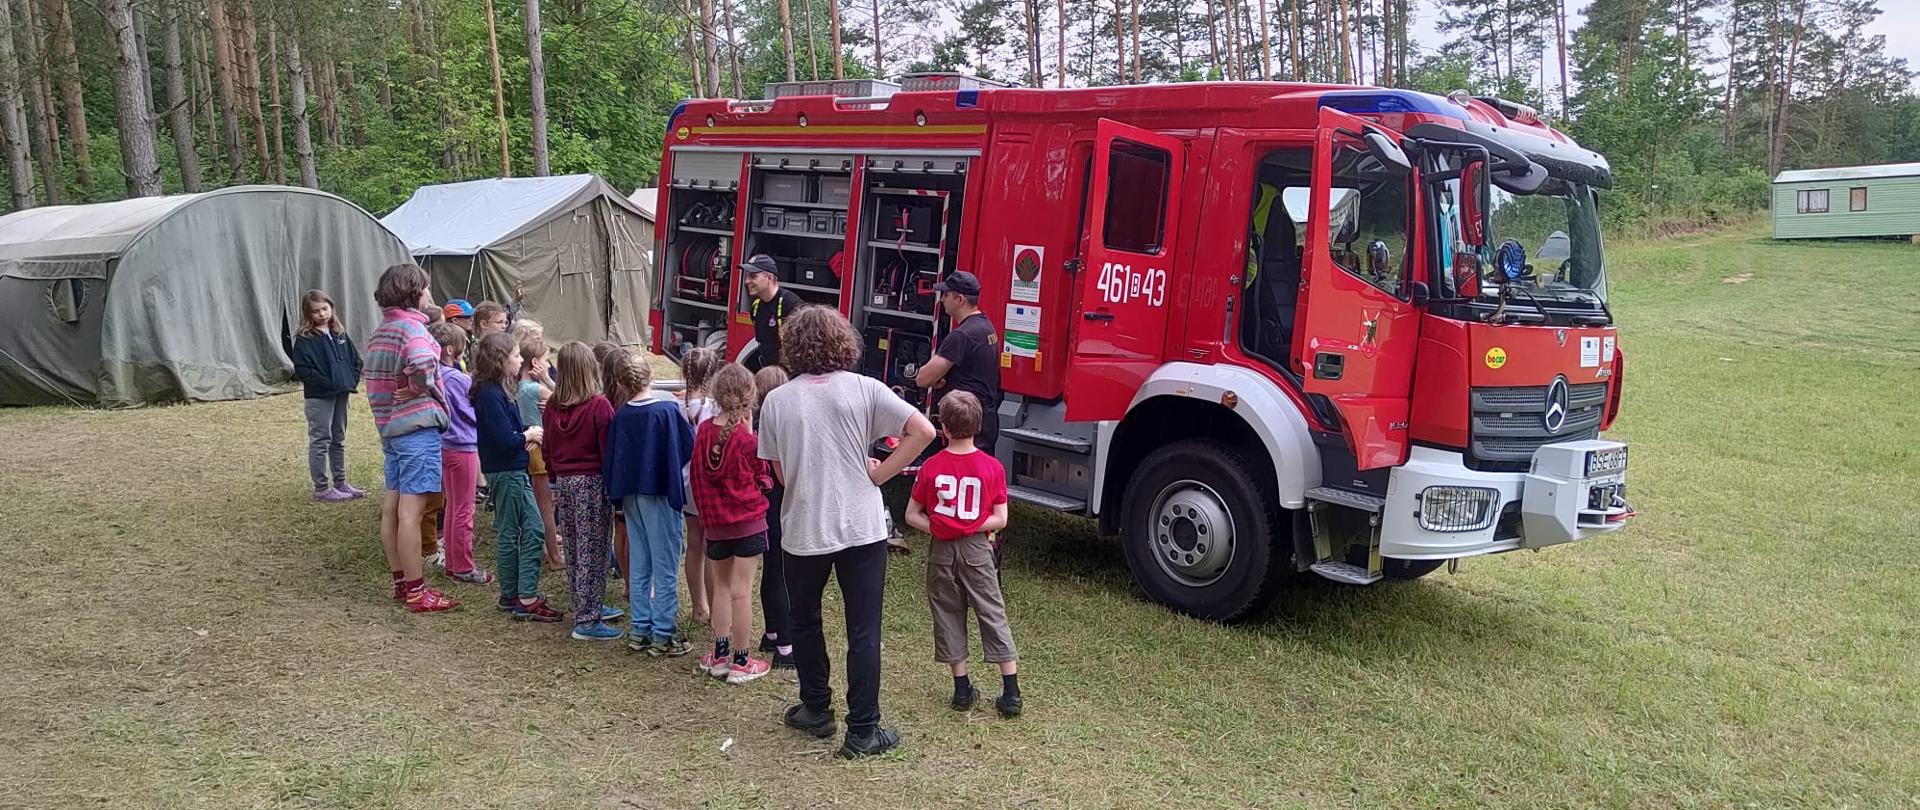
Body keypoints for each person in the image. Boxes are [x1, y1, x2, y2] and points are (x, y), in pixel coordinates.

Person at [759, 306, 937, 759]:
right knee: (863, 630)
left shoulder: (778, 399)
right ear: (844, 343)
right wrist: (881, 475)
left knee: (805, 620)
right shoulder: (865, 389)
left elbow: (779, 474)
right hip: (861, 526)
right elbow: (923, 430)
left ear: (793, 346)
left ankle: (816, 708)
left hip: (803, 527)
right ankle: (863, 730)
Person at [905, 391, 1021, 718]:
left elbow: (912, 515)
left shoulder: (931, 466)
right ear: (979, 425)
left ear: (943, 427)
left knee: (947, 612)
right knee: (991, 610)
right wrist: (971, 526)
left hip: (941, 549)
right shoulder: (992, 467)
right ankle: (1010, 691)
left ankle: (961, 689)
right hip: (977, 547)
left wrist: (941, 528)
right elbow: (1001, 518)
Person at [363, 263, 457, 613]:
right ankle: (418, 592)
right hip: (416, 430)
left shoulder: (382, 330)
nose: (430, 295)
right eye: (426, 289)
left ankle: (402, 583)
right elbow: (420, 362)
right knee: (411, 513)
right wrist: (419, 385)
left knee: (392, 508)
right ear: (415, 294)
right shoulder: (412, 330)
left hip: (390, 430)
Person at [604, 354, 696, 656]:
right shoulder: (667, 410)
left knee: (641, 562)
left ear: (620, 383)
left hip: (631, 496)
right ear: (651, 377)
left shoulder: (621, 416)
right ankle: (663, 634)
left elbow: (614, 460)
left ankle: (640, 628)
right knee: (666, 564)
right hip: (660, 494)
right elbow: (686, 447)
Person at [691, 363, 775, 685]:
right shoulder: (747, 441)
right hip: (747, 524)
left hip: (716, 526)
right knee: (743, 592)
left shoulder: (703, 433)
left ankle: (719, 655)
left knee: (722, 589)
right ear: (749, 397)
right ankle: (742, 661)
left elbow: (698, 480)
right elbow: (764, 479)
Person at [472, 332, 560, 622]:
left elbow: (507, 431)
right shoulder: (491, 394)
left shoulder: (495, 391)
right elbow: (502, 439)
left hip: (508, 469)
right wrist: (528, 435)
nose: (520, 360)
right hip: (507, 473)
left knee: (511, 531)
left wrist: (524, 433)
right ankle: (526, 597)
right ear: (501, 360)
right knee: (532, 529)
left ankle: (511, 593)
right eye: (515, 356)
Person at [545, 341, 625, 641]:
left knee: (577, 548)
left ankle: (586, 603)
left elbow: (549, 447)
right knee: (595, 549)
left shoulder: (553, 405)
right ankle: (588, 620)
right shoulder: (598, 405)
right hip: (592, 484)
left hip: (565, 483)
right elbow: (608, 452)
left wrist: (553, 479)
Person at [913, 270, 1004, 456]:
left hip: (967, 425)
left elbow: (922, 379)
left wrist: (938, 378)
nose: (942, 300)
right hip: (984, 419)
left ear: (960, 299)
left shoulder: (961, 336)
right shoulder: (986, 326)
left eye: (946, 295)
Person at [431, 322, 492, 586]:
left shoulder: (437, 374)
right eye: (463, 346)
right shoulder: (455, 378)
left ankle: (454, 563)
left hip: (447, 445)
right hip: (462, 446)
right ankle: (464, 566)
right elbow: (469, 411)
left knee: (454, 507)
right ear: (449, 350)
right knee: (464, 509)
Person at [291, 289, 366, 503]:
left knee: (338, 439)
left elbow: (355, 360)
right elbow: (303, 370)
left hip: (342, 394)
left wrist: (351, 381)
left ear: (332, 308)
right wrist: (329, 384)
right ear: (308, 314)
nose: (322, 314)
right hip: (319, 397)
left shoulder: (339, 333)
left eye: (325, 309)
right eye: (316, 311)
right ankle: (322, 488)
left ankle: (341, 483)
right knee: (320, 440)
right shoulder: (305, 340)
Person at [752, 365, 794, 669]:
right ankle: (785, 647)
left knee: (771, 570)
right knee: (784, 574)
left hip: (760, 507)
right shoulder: (782, 426)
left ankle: (771, 632)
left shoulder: (751, 424)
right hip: (781, 504)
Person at [677, 348, 722, 624]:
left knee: (694, 544)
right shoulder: (716, 407)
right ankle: (717, 609)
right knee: (710, 546)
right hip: (709, 481)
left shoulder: (676, 405)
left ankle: (698, 608)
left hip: (684, 480)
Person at [517, 333, 563, 569]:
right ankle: (554, 557)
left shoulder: (520, 386)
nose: (548, 365)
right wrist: (548, 381)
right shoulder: (536, 389)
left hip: (531, 450)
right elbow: (571, 400)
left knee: (542, 503)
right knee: (547, 507)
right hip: (541, 450)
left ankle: (547, 549)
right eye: (546, 360)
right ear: (535, 363)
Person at [742, 254, 804, 369]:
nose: (747, 281)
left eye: (753, 276)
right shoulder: (756, 308)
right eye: (746, 276)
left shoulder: (791, 304)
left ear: (769, 277)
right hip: (769, 370)